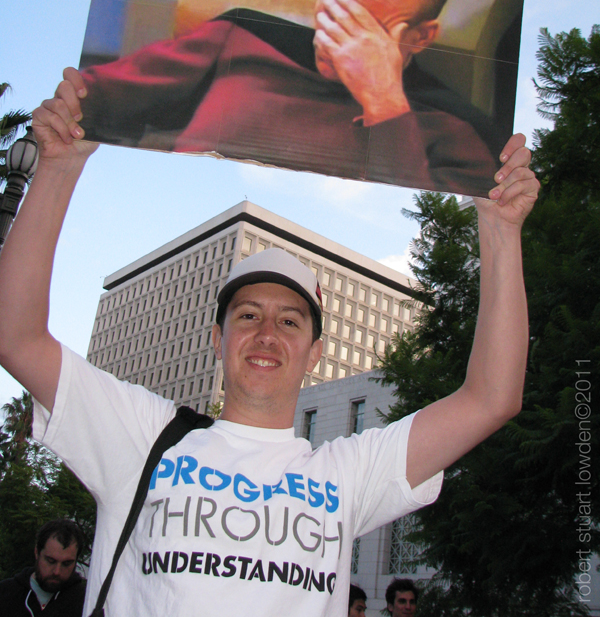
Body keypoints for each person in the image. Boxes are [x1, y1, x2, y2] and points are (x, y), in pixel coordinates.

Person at [0, 70, 539, 616]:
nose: (266, 334)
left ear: (316, 352)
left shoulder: (346, 475)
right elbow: (15, 337)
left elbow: (492, 398)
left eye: (289, 322)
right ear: (217, 338)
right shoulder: (141, 436)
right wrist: (58, 169)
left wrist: (499, 230)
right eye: (249, 314)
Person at [77, 0, 502, 197]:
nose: (330, 35)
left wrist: (385, 101)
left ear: (422, 36)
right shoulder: (242, 36)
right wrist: (71, 104)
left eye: (363, 24)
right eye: (330, 6)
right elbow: (102, 95)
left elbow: (435, 237)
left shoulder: (457, 132)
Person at [0, 518, 86, 616]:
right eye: (51, 561)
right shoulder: (5, 594)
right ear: (37, 552)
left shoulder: (87, 602)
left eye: (66, 563)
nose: (57, 571)